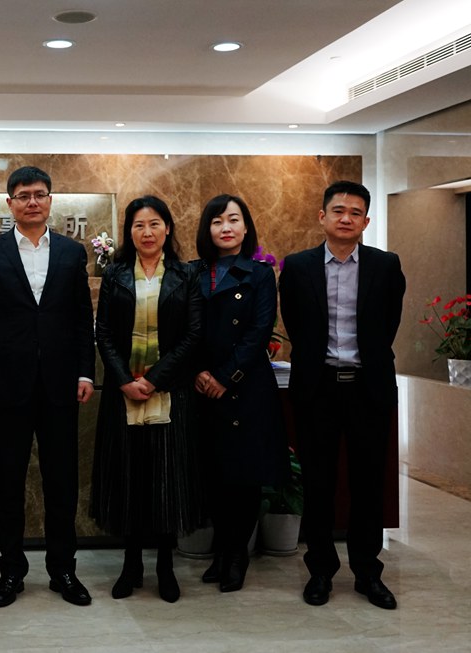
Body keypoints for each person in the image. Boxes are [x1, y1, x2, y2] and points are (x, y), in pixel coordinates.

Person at [0, 166, 96, 608]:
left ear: (51, 200)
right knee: (9, 482)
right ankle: (11, 572)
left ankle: (63, 570)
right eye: (23, 196)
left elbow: (82, 319)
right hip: (7, 387)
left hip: (61, 386)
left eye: (39, 194)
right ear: (10, 204)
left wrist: (85, 372)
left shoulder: (72, 253)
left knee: (62, 482)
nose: (32, 202)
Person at [279, 180, 405, 610]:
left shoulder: (386, 266)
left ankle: (368, 572)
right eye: (338, 211)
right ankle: (320, 571)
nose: (346, 218)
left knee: (369, 484)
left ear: (365, 221)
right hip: (318, 389)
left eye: (355, 213)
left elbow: (389, 324)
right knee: (319, 484)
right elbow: (295, 324)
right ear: (322, 216)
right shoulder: (298, 267)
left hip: (368, 389)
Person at [90, 195, 204, 603]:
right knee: (130, 479)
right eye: (138, 225)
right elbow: (104, 333)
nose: (147, 232)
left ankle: (165, 567)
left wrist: (154, 379)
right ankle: (131, 564)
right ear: (129, 232)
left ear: (167, 228)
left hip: (170, 392)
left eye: (154, 224)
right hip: (124, 394)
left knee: (167, 479)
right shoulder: (116, 274)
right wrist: (125, 381)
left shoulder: (185, 274)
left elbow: (193, 334)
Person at [191, 194, 287, 593]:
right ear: (207, 229)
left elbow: (259, 332)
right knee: (213, 474)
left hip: (246, 388)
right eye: (217, 221)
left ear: (246, 228)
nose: (225, 227)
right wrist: (198, 372)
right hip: (201, 388)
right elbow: (184, 329)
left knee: (244, 476)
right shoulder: (193, 272)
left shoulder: (260, 274)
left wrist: (225, 376)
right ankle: (221, 551)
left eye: (233, 219)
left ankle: (237, 555)